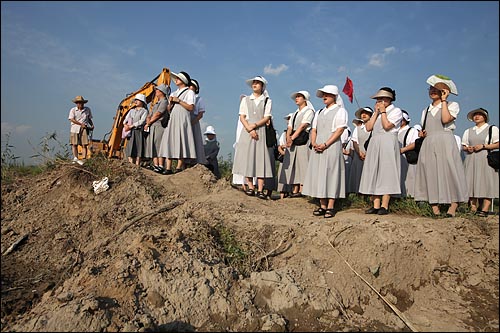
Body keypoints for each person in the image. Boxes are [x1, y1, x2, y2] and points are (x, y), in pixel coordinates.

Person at [414, 74, 468, 217]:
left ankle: (452, 208)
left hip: (445, 140)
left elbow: (445, 119)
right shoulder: (425, 110)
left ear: (445, 91)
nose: (433, 91)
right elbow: (425, 127)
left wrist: (444, 100)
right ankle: (435, 210)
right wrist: (422, 134)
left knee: (450, 171)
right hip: (429, 142)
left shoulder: (452, 105)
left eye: (437, 89)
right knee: (430, 173)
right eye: (431, 88)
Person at [302, 85, 348, 219]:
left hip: (331, 145)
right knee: (319, 174)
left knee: (331, 174)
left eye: (327, 94)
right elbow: (314, 129)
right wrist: (314, 142)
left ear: (334, 96)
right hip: (318, 146)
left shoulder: (340, 111)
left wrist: (326, 144)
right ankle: (322, 205)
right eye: (323, 94)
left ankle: (331, 206)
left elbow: (339, 130)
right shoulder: (319, 112)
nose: (324, 97)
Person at [359, 87, 403, 215]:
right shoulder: (376, 113)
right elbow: (368, 127)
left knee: (387, 172)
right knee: (374, 171)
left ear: (389, 99)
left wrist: (383, 113)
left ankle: (385, 205)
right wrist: (376, 113)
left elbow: (387, 126)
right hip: (375, 142)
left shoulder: (396, 111)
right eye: (378, 99)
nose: (379, 101)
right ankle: (376, 204)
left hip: (388, 141)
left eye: (382, 99)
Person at [232, 75, 274, 200]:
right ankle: (251, 186)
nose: (254, 85)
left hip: (260, 130)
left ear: (262, 86)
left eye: (257, 83)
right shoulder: (246, 100)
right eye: (253, 83)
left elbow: (267, 117)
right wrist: (249, 129)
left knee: (261, 159)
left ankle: (260, 189)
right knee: (247, 158)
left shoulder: (267, 100)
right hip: (247, 131)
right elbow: (242, 116)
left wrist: (255, 126)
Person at [461, 108, 499, 216]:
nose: (477, 116)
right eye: (475, 115)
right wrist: (467, 148)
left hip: (486, 158)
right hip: (471, 158)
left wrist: (483, 146)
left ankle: (485, 209)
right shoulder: (468, 131)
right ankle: (473, 208)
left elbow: (497, 143)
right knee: (471, 182)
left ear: (485, 117)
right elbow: (463, 145)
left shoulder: (492, 129)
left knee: (487, 182)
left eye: (480, 115)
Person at [158, 71, 197, 174]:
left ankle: (179, 167)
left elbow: (191, 107)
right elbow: (169, 109)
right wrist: (170, 103)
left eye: (178, 79)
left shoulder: (189, 92)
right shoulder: (174, 93)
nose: (176, 80)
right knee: (169, 139)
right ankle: (168, 167)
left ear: (183, 81)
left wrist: (179, 101)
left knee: (181, 139)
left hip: (182, 117)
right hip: (173, 117)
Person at [279, 90, 315, 198]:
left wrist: (292, 138)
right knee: (293, 165)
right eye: (296, 96)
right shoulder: (294, 113)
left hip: (302, 140)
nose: (297, 98)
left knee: (303, 164)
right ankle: (295, 189)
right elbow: (290, 127)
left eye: (299, 96)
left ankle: (303, 189)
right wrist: (288, 137)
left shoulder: (309, 111)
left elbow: (303, 125)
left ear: (305, 99)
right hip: (293, 141)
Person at [144, 84, 170, 173]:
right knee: (153, 146)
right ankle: (156, 165)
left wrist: (149, 122)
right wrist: (148, 121)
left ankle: (161, 165)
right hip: (152, 125)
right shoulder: (156, 103)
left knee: (159, 146)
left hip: (159, 126)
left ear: (161, 92)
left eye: (157, 90)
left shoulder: (164, 102)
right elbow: (150, 114)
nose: (156, 92)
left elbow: (158, 113)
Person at [349, 107, 373, 195]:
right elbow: (355, 141)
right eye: (362, 113)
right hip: (359, 153)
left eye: (366, 113)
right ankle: (359, 194)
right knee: (358, 174)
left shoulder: (374, 127)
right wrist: (359, 152)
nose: (364, 115)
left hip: (371, 154)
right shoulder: (358, 128)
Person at [398, 110, 419, 197]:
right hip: (397, 158)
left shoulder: (411, 130)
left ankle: (410, 197)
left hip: (406, 157)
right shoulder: (395, 131)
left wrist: (403, 149)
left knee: (409, 178)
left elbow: (415, 143)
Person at [123, 93, 148, 166]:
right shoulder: (131, 111)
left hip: (139, 131)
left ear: (142, 102)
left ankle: (137, 164)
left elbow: (142, 121)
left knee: (138, 148)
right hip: (131, 132)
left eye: (138, 100)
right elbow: (125, 119)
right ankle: (131, 163)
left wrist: (131, 126)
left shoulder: (144, 111)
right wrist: (125, 125)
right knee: (130, 147)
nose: (136, 101)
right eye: (135, 100)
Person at [68, 95, 93, 165]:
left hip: (84, 129)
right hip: (74, 129)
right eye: (79, 103)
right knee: (74, 144)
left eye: (81, 103)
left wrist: (92, 125)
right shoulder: (73, 110)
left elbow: (89, 119)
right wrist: (80, 124)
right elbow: (72, 119)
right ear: (77, 103)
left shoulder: (87, 110)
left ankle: (84, 159)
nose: (80, 104)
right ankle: (75, 158)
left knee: (84, 144)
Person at [188, 79, 208, 167]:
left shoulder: (199, 99)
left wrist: (193, 122)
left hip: (193, 120)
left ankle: (194, 161)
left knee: (194, 140)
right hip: (185, 119)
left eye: (192, 86)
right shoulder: (185, 97)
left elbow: (200, 114)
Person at [277, 113, 293, 199]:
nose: (288, 121)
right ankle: (282, 196)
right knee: (281, 176)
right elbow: (280, 146)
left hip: (292, 157)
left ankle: (291, 193)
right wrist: (282, 152)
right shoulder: (284, 134)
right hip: (284, 158)